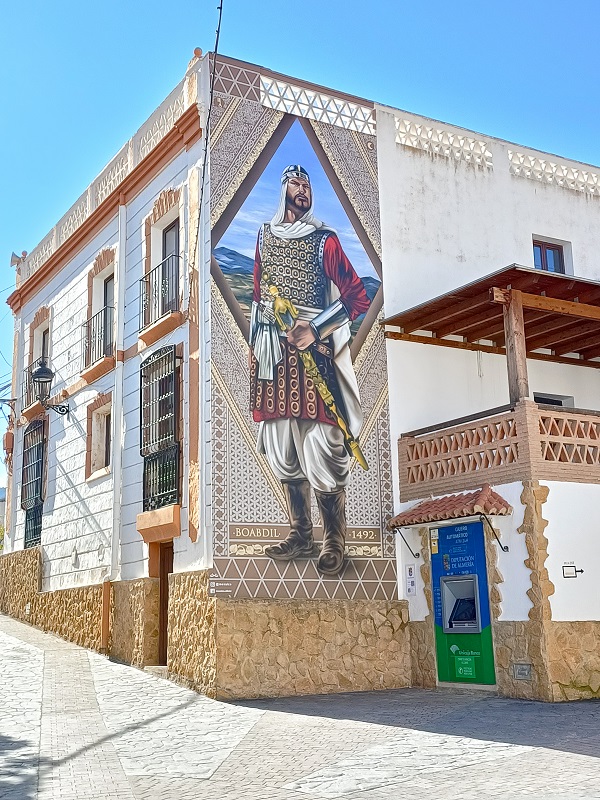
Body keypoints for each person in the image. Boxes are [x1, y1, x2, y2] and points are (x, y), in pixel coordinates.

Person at [249, 164, 370, 575]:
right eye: (296, 184)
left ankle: (334, 538)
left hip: (314, 355)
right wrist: (262, 332)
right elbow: (256, 291)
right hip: (275, 359)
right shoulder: (264, 237)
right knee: (284, 448)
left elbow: (358, 296)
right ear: (282, 189)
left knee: (322, 445)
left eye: (307, 185)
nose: (303, 190)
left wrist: (314, 327)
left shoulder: (325, 241)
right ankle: (302, 533)